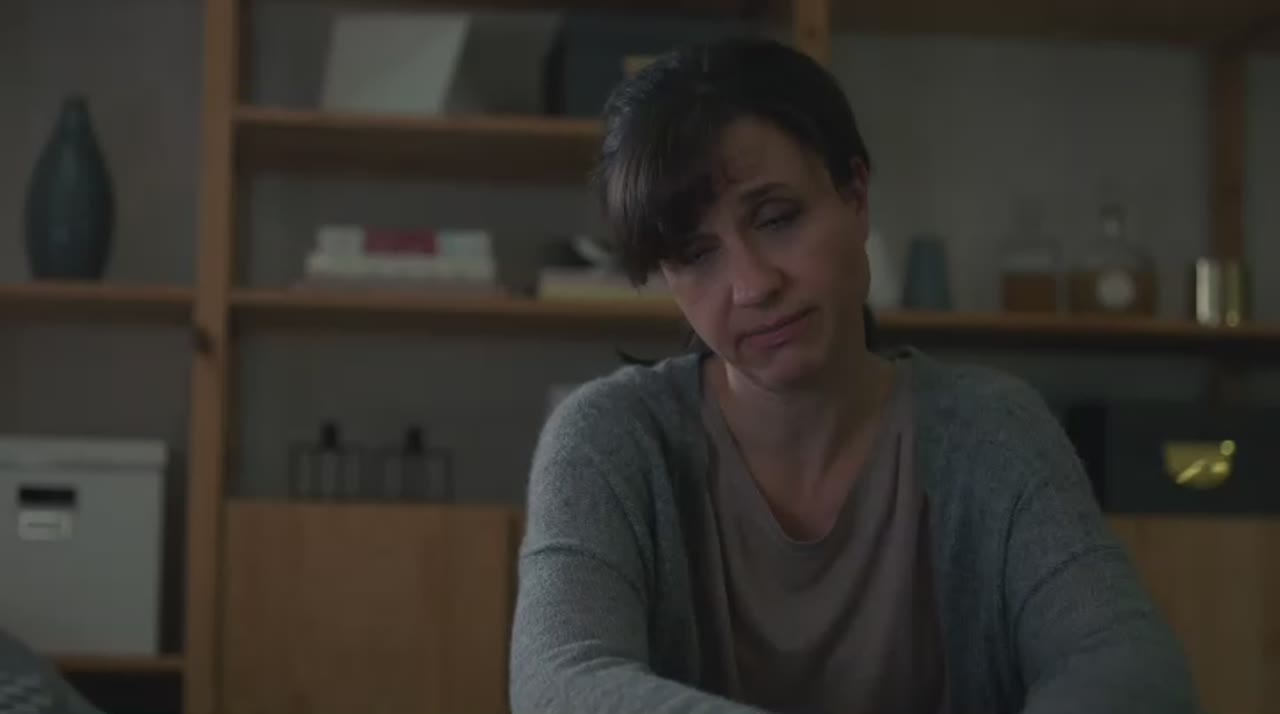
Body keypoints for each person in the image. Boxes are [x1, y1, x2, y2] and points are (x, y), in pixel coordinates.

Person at [510, 37, 1198, 714]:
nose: (752, 285)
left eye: (777, 219)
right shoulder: (610, 440)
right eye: (695, 255)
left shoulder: (992, 430)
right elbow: (561, 681)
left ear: (856, 195)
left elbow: (1124, 663)